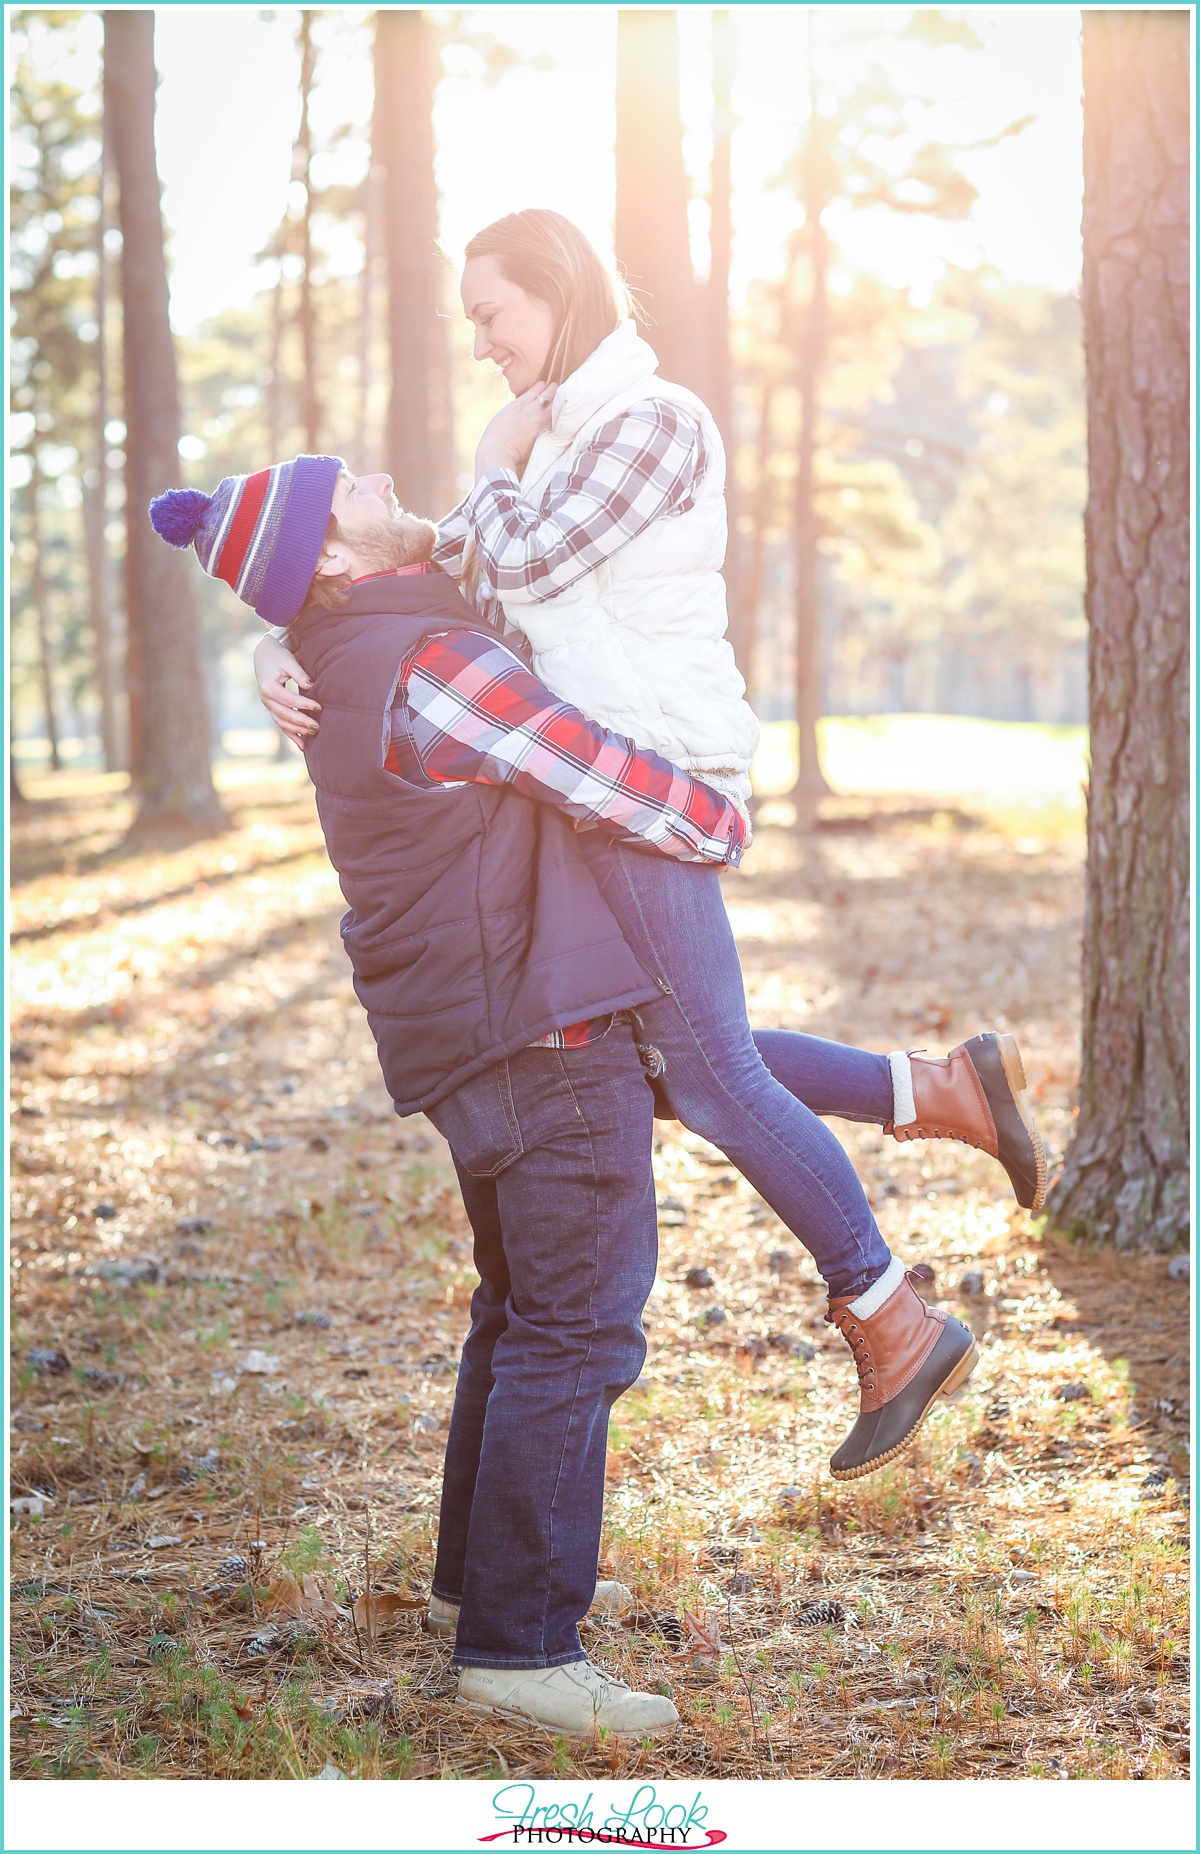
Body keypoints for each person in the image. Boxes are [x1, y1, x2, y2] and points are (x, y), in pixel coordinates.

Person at [257, 212, 1043, 1476]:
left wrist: (487, 460)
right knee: (676, 1061)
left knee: (711, 1074)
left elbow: (529, 556)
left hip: (648, 776)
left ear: (555, 294)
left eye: (490, 315)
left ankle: (894, 1318)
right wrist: (283, 639)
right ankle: (933, 1091)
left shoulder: (649, 423)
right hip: (602, 782)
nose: (480, 345)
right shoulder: (566, 434)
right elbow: (445, 582)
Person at [151, 453, 759, 1736]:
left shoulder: (363, 645)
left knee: (518, 1310)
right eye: (349, 486)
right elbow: (589, 765)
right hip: (541, 1026)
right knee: (578, 1326)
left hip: (472, 1027)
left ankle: (471, 1590)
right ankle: (523, 1649)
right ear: (332, 557)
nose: (376, 471)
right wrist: (721, 820)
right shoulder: (428, 660)